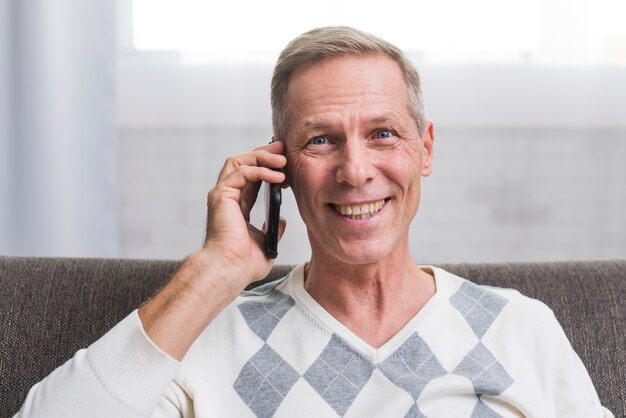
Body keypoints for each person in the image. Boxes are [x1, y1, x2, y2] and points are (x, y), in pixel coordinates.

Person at [16, 26, 612, 418]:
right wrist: (215, 270)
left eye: (382, 133)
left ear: (425, 149)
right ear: (281, 168)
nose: (355, 171)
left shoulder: (518, 328)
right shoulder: (214, 335)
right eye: (321, 140)